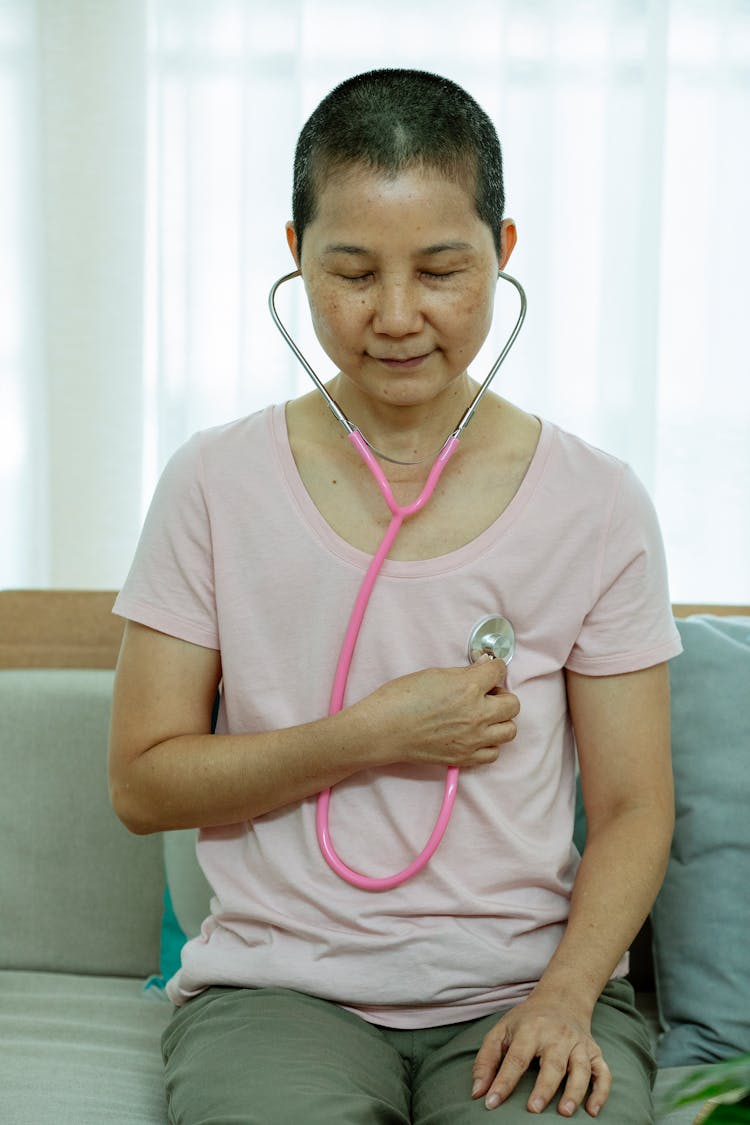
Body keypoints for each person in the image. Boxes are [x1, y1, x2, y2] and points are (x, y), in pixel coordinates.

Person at [108, 68, 681, 1123]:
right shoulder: (211, 481)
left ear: (504, 255)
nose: (399, 316)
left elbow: (639, 805)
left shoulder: (596, 501)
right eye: (354, 271)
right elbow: (144, 785)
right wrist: (368, 735)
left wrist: (565, 999)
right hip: (279, 994)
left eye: (442, 269)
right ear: (295, 256)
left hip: (524, 990)